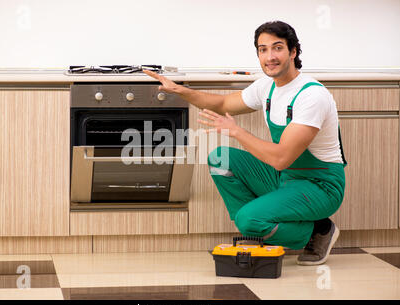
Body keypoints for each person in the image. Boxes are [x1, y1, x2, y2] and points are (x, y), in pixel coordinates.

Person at [144, 20, 346, 266]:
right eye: (263, 50)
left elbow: (281, 157)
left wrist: (237, 131)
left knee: (249, 220)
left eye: (277, 48)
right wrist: (180, 90)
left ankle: (318, 230)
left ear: (293, 52)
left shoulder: (312, 95)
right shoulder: (267, 86)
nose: (269, 56)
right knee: (220, 159)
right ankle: (260, 225)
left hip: (320, 185)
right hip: (286, 178)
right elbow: (221, 104)